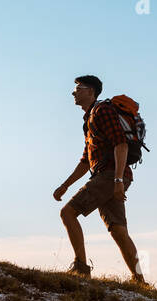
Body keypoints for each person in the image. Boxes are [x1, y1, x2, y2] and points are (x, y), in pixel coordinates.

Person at [53, 75, 145, 284]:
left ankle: (81, 268)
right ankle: (140, 280)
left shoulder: (101, 111)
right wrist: (65, 185)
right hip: (110, 177)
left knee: (68, 213)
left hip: (110, 176)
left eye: (78, 88)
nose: (74, 92)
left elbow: (120, 144)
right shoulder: (89, 120)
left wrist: (117, 181)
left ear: (91, 92)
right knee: (119, 231)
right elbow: (86, 161)